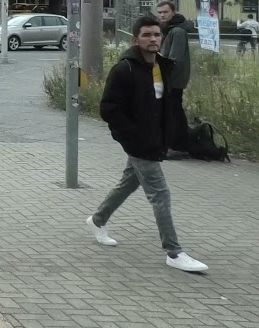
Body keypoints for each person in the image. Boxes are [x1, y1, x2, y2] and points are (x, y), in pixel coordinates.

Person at [87, 14, 209, 273]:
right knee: (160, 193)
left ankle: (97, 220)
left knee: (128, 183)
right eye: (147, 35)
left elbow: (162, 105)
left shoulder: (162, 67)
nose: (153, 39)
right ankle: (174, 252)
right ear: (135, 39)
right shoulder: (124, 69)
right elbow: (109, 109)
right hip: (138, 142)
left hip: (156, 140)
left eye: (156, 34)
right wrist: (131, 135)